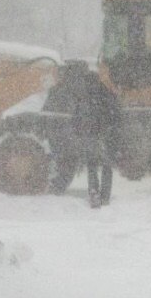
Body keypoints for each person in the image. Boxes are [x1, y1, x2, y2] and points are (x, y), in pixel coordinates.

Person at [43, 60, 122, 208]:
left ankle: (93, 192)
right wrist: (114, 129)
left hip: (89, 133)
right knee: (106, 166)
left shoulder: (81, 94)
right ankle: (105, 196)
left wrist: (78, 130)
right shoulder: (105, 91)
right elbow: (115, 111)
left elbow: (77, 115)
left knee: (92, 164)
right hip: (105, 133)